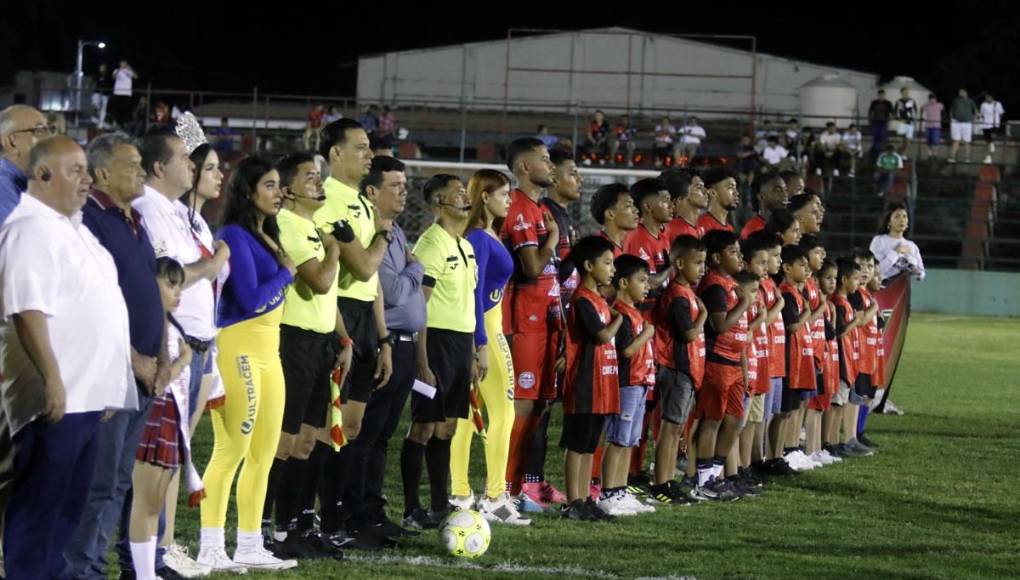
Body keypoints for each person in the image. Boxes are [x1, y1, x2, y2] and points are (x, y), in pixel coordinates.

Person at [0, 136, 135, 579]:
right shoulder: (29, 229)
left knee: (66, 509)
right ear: (42, 175)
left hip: (86, 395)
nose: (87, 178)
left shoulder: (73, 228)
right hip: (58, 398)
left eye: (86, 169)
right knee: (41, 507)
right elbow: (27, 309)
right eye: (75, 169)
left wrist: (111, 382)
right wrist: (53, 380)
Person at [63, 133, 171, 580]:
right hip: (111, 372)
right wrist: (133, 360)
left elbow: (154, 295)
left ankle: (90, 565)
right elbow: (88, 302)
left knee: (118, 481)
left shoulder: (135, 221)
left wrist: (162, 355)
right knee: (97, 483)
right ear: (102, 173)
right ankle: (79, 569)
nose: (143, 172)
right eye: (132, 166)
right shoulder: (89, 220)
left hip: (145, 372)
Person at [197, 157, 298, 571]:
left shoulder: (264, 232)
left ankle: (250, 543)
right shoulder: (234, 235)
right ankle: (210, 545)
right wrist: (287, 273)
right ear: (248, 191)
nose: (279, 193)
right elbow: (252, 298)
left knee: (264, 452)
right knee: (231, 448)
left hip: (269, 354)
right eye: (271, 186)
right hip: (238, 348)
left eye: (278, 186)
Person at [262, 152, 351, 560]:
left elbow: (330, 299)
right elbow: (319, 282)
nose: (319, 184)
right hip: (293, 341)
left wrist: (344, 340)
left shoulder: (312, 227)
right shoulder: (288, 225)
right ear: (288, 190)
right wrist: (334, 250)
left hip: (320, 343)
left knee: (308, 441)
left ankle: (295, 524)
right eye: (310, 178)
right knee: (283, 441)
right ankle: (266, 529)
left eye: (320, 177)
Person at [313, 119, 393, 545]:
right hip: (339, 314)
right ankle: (319, 519)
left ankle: (340, 516)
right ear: (335, 154)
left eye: (370, 147)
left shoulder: (361, 202)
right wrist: (382, 234)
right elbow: (363, 266)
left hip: (365, 316)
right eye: (361, 147)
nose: (369, 154)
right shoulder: (329, 203)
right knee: (330, 424)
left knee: (355, 425)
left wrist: (382, 339)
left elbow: (372, 281)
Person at [451, 169, 530, 525]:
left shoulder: (483, 234)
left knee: (468, 416)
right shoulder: (481, 239)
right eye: (503, 194)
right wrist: (480, 343)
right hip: (487, 333)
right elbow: (476, 294)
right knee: (503, 413)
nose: (509, 200)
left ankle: (460, 491)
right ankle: (495, 496)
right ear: (484, 197)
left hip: (482, 331)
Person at [404, 175, 478, 527]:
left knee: (446, 428)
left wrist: (475, 352)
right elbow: (420, 306)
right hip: (434, 343)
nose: (466, 198)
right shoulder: (431, 245)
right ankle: (411, 508)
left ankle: (438, 505)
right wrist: (421, 360)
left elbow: (467, 303)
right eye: (458, 193)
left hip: (460, 344)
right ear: (439, 203)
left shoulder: (464, 245)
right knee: (423, 427)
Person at [358, 156, 427, 538]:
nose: (404, 191)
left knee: (381, 435)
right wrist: (418, 268)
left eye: (405, 185)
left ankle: (373, 509)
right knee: (366, 434)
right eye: (395, 186)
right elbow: (396, 291)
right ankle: (355, 513)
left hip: (403, 344)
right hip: (382, 343)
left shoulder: (394, 228)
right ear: (371, 191)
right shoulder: (373, 229)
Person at [500, 138, 561, 511]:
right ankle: (505, 487)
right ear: (524, 167)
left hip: (543, 322)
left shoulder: (538, 208)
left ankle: (522, 486)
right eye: (544, 159)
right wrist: (552, 239)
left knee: (538, 406)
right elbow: (532, 268)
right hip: (524, 320)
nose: (550, 165)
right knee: (522, 406)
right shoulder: (520, 209)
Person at [127, 258, 194, 580]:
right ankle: (140, 572)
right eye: (170, 284)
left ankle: (148, 569)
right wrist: (184, 358)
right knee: (145, 501)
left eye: (179, 284)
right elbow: (159, 378)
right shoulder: (149, 323)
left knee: (155, 504)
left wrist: (185, 356)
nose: (177, 291)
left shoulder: (171, 322)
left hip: (170, 418)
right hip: (155, 416)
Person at [521, 149, 580, 507]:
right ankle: (523, 483)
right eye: (572, 172)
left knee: (544, 407)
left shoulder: (561, 217)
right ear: (554, 178)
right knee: (532, 408)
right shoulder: (542, 215)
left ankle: (536, 480)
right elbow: (541, 271)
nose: (580, 179)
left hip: (556, 321)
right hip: (534, 324)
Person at [558, 236, 620, 521]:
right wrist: (620, 318)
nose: (612, 269)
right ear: (588, 265)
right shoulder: (583, 299)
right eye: (606, 263)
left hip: (601, 383)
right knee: (578, 444)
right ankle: (573, 501)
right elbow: (601, 335)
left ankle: (584, 499)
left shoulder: (598, 299)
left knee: (590, 445)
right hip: (584, 383)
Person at [691, 230, 750, 498]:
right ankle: (704, 481)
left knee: (735, 420)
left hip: (733, 363)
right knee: (712, 420)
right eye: (733, 252)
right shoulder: (714, 284)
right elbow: (720, 324)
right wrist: (745, 302)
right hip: (717, 362)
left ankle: (715, 475)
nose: (740, 257)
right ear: (716, 257)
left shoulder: (728, 284)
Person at [597, 255, 657, 517]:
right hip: (626, 384)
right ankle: (609, 493)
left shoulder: (634, 313)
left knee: (629, 442)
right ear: (623, 283)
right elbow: (626, 352)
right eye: (641, 281)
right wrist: (647, 334)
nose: (647, 286)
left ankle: (620, 490)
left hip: (640, 383)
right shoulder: (621, 313)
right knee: (618, 441)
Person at [649, 235, 707, 503]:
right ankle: (661, 482)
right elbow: (688, 334)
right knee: (669, 428)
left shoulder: (687, 293)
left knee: (676, 428)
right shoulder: (677, 295)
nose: (702, 269)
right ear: (680, 263)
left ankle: (668, 478)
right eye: (697, 263)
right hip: (676, 368)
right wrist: (704, 316)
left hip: (686, 369)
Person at [774, 245, 817, 472]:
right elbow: (792, 325)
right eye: (801, 265)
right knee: (782, 412)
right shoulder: (787, 294)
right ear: (787, 268)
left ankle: (783, 452)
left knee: (789, 411)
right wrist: (808, 312)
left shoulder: (796, 293)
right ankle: (777, 453)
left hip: (798, 359)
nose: (806, 268)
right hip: (789, 359)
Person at [0, 105, 51, 225]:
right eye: (39, 131)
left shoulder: (31, 181)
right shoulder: (3, 191)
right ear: (11, 142)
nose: (50, 138)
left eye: (49, 130)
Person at [870, 202, 925, 282]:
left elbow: (921, 272)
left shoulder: (912, 246)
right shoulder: (879, 240)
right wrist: (896, 252)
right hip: (882, 288)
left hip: (903, 289)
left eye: (904, 216)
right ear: (889, 222)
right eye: (897, 217)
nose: (902, 220)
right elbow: (876, 271)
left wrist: (917, 272)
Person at [592, 183, 639, 259]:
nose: (636, 210)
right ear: (610, 214)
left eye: (633, 205)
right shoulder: (598, 250)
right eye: (628, 206)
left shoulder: (629, 243)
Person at [662, 168, 707, 242]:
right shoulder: (673, 230)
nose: (706, 192)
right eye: (699, 187)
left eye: (704, 187)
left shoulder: (699, 228)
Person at [740, 174, 788, 239]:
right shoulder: (752, 230)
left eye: (785, 190)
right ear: (761, 197)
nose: (785, 194)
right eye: (777, 190)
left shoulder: (788, 225)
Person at [696, 166, 738, 234]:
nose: (736, 193)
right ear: (713, 193)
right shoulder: (701, 226)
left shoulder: (730, 228)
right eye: (730, 187)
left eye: (735, 188)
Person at [949, 89, 978, 163]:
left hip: (967, 123)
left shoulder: (970, 101)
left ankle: (967, 158)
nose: (961, 93)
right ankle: (952, 157)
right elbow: (951, 110)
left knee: (967, 141)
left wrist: (973, 118)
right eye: (960, 92)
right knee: (956, 140)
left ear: (966, 93)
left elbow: (976, 111)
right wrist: (952, 118)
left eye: (962, 92)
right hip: (956, 123)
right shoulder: (955, 100)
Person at [979, 93, 1005, 164]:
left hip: (994, 125)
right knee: (988, 143)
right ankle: (989, 158)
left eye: (988, 97)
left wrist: (997, 121)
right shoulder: (983, 105)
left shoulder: (998, 104)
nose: (986, 99)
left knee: (991, 141)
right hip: (985, 126)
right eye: (986, 97)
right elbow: (981, 114)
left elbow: (1001, 113)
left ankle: (989, 156)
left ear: (991, 97)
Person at [867, 89, 893, 159]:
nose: (881, 97)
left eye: (883, 95)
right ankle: (875, 152)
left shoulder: (888, 103)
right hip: (875, 123)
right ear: (878, 95)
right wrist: (870, 121)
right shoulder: (874, 102)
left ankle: (875, 152)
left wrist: (889, 122)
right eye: (880, 95)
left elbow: (891, 114)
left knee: (882, 137)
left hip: (883, 123)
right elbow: (871, 112)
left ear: (884, 95)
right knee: (876, 138)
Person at [112, 60, 138, 128]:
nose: (123, 64)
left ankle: (124, 123)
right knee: (117, 108)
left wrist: (130, 69)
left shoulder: (129, 70)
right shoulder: (117, 70)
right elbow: (113, 77)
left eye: (124, 63)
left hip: (126, 93)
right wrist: (119, 70)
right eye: (121, 63)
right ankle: (117, 122)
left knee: (125, 109)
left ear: (126, 63)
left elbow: (136, 76)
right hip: (117, 92)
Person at [894, 87, 918, 156]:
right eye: (904, 92)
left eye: (907, 92)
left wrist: (913, 119)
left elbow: (915, 111)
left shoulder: (912, 101)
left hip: (910, 124)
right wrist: (899, 119)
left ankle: (904, 155)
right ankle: (899, 153)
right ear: (901, 93)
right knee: (900, 141)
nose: (906, 94)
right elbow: (895, 113)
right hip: (901, 123)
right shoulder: (898, 102)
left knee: (908, 141)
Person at [921, 94, 944, 161]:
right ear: (929, 99)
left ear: (936, 99)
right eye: (931, 99)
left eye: (933, 98)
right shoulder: (926, 105)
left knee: (935, 141)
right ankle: (930, 154)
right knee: (928, 141)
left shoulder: (940, 105)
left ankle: (935, 154)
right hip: (928, 126)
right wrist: (922, 116)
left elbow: (943, 111)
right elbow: (921, 109)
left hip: (936, 126)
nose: (932, 100)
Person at [92, 63, 112, 128]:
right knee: (95, 103)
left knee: (104, 108)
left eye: (102, 67)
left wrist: (110, 94)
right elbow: (93, 81)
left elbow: (111, 84)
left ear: (105, 68)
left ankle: (100, 125)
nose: (101, 69)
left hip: (105, 94)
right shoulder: (97, 75)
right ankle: (98, 111)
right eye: (100, 67)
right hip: (97, 92)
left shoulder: (108, 75)